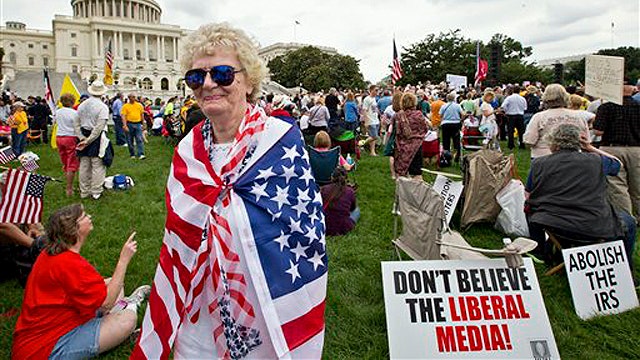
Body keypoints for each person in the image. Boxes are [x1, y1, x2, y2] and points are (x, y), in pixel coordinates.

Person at [132, 22, 327, 360]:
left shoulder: (280, 140)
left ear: (248, 80)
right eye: (196, 77)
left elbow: (305, 229)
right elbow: (177, 239)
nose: (208, 84)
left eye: (222, 74)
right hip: (198, 311)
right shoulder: (187, 152)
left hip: (267, 304)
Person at [12, 204, 150, 359]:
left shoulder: (51, 254)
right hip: (45, 349)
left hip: (53, 325)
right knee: (128, 320)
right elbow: (107, 301)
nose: (89, 216)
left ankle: (117, 316)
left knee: (113, 282)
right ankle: (130, 305)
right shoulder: (70, 264)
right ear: (74, 230)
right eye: (84, 216)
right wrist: (123, 260)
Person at [525, 124, 636, 271]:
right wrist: (590, 147)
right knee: (629, 222)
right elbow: (617, 163)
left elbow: (528, 194)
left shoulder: (538, 163)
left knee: (529, 207)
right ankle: (624, 268)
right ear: (578, 143)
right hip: (594, 224)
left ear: (553, 143)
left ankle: (539, 249)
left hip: (553, 224)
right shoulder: (597, 161)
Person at [593, 79, 640, 222]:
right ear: (633, 88)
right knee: (637, 186)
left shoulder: (606, 107)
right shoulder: (638, 106)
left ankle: (626, 219)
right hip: (636, 149)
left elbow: (598, 131)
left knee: (617, 187)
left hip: (611, 148)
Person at [523, 84, 589, 159]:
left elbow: (529, 141)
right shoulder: (578, 116)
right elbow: (586, 141)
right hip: (573, 158)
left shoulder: (539, 117)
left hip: (543, 157)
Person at [75, 80, 109, 200]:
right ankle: (96, 191)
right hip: (96, 136)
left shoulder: (82, 105)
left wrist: (81, 137)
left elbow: (76, 123)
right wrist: (88, 140)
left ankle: (84, 191)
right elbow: (99, 127)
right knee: (97, 164)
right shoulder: (102, 107)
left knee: (84, 164)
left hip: (84, 133)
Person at [394, 93, 430, 179]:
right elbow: (425, 128)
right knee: (417, 173)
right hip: (417, 146)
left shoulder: (398, 115)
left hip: (402, 146)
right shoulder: (419, 114)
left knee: (402, 173)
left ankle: (403, 191)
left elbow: (396, 131)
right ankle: (417, 192)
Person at [54, 93, 80, 196]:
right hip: (70, 137)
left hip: (59, 136)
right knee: (72, 164)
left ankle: (69, 185)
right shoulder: (74, 113)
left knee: (65, 162)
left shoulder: (58, 112)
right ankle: (69, 188)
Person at [321, 167, 359, 236]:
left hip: (325, 226)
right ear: (346, 179)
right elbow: (352, 208)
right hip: (343, 228)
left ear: (332, 177)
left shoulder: (324, 189)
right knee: (357, 210)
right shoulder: (350, 191)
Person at [439, 93, 464, 161]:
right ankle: (456, 154)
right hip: (456, 124)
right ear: (454, 98)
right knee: (456, 140)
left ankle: (446, 156)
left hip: (445, 124)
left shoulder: (443, 106)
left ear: (447, 98)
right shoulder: (457, 106)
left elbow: (440, 115)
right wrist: (460, 120)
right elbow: (463, 114)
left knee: (446, 140)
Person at [121, 93, 146, 159]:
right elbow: (123, 116)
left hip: (138, 124)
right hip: (129, 124)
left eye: (134, 97)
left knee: (139, 139)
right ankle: (132, 154)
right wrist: (125, 125)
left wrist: (143, 124)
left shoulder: (139, 105)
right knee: (129, 140)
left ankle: (141, 154)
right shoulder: (125, 106)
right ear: (129, 98)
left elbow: (142, 115)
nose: (134, 98)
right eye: (132, 97)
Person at [361, 85, 381, 156]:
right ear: (371, 90)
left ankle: (372, 152)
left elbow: (375, 109)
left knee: (373, 138)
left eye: (377, 90)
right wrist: (366, 121)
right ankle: (361, 144)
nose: (377, 92)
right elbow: (364, 110)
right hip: (370, 120)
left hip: (376, 120)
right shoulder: (367, 99)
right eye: (375, 90)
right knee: (374, 136)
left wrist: (380, 115)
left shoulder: (374, 99)